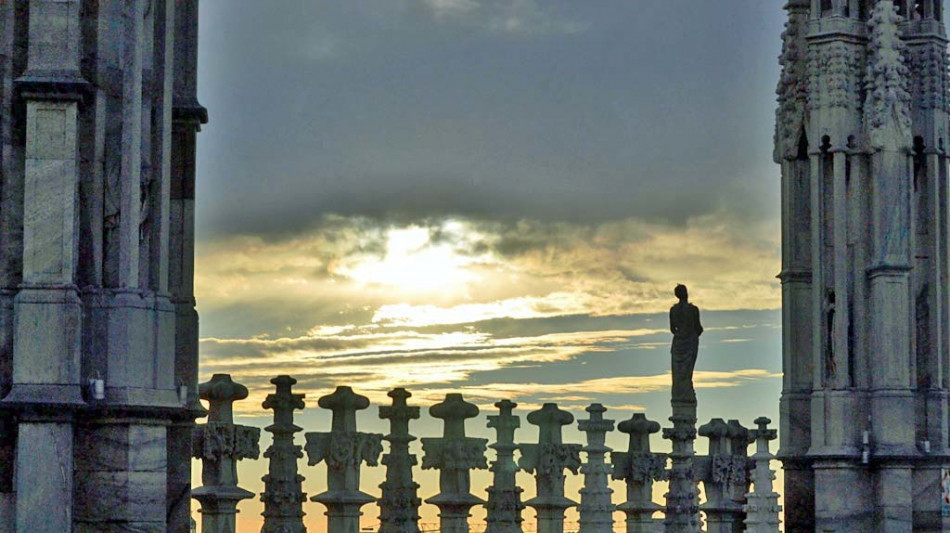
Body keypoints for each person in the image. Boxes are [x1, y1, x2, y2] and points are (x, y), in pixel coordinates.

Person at [670, 284, 703, 403]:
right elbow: (699, 328)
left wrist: (681, 334)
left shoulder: (673, 310)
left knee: (678, 373)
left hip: (678, 343)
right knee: (687, 372)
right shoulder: (693, 309)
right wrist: (692, 334)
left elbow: (672, 329)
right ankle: (686, 392)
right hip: (690, 343)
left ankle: (680, 393)